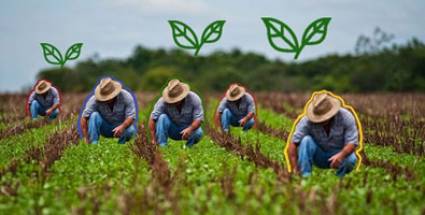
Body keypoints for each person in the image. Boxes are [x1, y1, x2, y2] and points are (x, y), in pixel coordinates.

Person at [288, 92, 358, 178]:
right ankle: (305, 177)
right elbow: (293, 143)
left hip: (340, 154)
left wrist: (340, 155)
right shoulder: (307, 121)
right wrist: (294, 169)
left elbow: (352, 143)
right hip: (319, 155)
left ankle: (339, 180)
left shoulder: (346, 116)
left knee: (351, 159)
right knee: (306, 140)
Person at [80, 77, 137, 144]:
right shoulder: (94, 100)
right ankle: (93, 144)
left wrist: (122, 127)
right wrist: (86, 138)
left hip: (122, 127)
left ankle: (120, 145)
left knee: (131, 131)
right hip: (105, 127)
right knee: (94, 115)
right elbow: (84, 117)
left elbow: (131, 116)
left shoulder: (126, 96)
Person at [149, 79, 203, 147]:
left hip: (190, 129)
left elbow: (199, 119)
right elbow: (152, 118)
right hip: (173, 129)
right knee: (162, 117)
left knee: (198, 133)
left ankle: (189, 147)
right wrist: (153, 139)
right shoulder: (162, 101)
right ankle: (162, 146)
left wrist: (190, 129)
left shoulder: (194, 98)